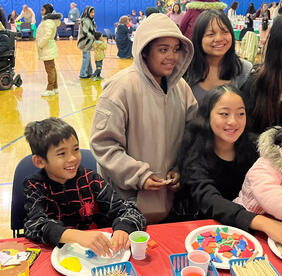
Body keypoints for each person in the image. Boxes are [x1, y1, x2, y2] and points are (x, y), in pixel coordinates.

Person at [90, 13, 197, 224]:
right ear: (145, 51)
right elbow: (103, 145)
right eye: (163, 49)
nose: (172, 57)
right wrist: (140, 175)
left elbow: (193, 137)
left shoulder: (182, 89)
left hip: (170, 204)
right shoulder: (121, 87)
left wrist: (180, 169)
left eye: (176, 49)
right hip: (126, 207)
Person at [177, 85, 282, 253]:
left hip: (253, 231)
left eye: (241, 113)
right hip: (211, 235)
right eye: (224, 114)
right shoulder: (195, 153)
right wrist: (263, 223)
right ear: (207, 116)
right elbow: (210, 201)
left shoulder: (255, 145)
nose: (233, 121)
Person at [24, 118, 146, 255]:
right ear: (39, 161)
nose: (73, 158)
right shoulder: (35, 185)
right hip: (58, 256)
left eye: (76, 149)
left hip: (98, 256)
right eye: (62, 153)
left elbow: (130, 211)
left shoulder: (91, 180)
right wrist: (77, 236)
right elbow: (33, 225)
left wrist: (123, 229)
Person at [184, 9, 252, 105]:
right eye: (211, 34)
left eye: (224, 32)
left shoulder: (244, 70)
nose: (219, 38)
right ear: (198, 38)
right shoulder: (186, 71)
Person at [36, 4, 62, 97]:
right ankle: (55, 87)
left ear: (47, 11)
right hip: (48, 48)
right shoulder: (49, 21)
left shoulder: (48, 22)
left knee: (50, 70)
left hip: (47, 48)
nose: (41, 12)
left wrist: (40, 44)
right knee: (52, 68)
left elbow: (47, 36)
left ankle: (50, 88)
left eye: (43, 10)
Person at [77, 6, 96, 79]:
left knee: (88, 57)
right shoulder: (86, 20)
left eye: (94, 12)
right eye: (91, 12)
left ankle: (89, 72)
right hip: (84, 42)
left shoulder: (90, 20)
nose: (93, 14)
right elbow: (85, 32)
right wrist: (93, 37)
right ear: (87, 12)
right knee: (86, 57)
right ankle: (83, 74)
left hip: (88, 42)